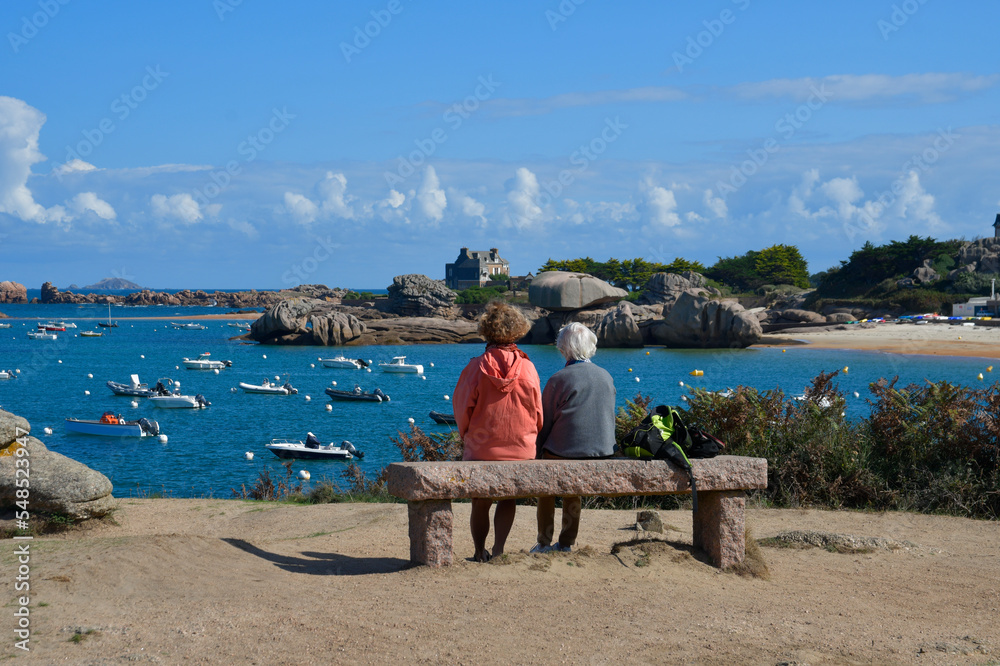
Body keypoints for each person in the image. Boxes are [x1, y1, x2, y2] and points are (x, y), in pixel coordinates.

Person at [453, 301, 542, 562]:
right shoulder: (528, 367)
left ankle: (479, 552)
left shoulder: (475, 367)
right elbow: (538, 412)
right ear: (518, 331)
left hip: (482, 448)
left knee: (480, 501)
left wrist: (468, 437)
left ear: (486, 330)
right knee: (508, 499)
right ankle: (499, 550)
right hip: (521, 448)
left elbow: (462, 411)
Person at [532, 322, 616, 554]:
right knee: (572, 490)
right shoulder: (606, 376)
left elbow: (544, 423)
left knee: (547, 487)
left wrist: (535, 452)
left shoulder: (559, 379)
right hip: (602, 453)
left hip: (565, 453)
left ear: (563, 349)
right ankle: (567, 543)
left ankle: (544, 542)